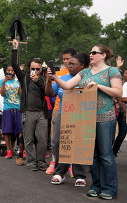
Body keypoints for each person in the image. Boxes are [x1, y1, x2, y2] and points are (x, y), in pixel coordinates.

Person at [50, 44, 121, 200]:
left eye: (94, 52)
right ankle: (96, 186)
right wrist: (55, 77)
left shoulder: (112, 71)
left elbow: (118, 92)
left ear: (103, 55)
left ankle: (109, 188)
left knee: (106, 155)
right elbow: (68, 85)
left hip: (105, 118)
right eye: (90, 52)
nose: (91, 54)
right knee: (92, 155)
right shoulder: (85, 72)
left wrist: (99, 86)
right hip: (86, 119)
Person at [46, 53, 90, 187]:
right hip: (63, 113)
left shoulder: (88, 79)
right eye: (68, 63)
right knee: (59, 142)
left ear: (82, 66)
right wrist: (49, 80)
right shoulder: (62, 78)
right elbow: (49, 93)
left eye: (73, 64)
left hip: (82, 115)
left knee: (79, 143)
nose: (69, 66)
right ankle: (60, 172)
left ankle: (80, 175)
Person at [11, 40, 49, 171]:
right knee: (28, 139)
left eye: (38, 69)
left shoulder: (44, 80)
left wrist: (38, 81)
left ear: (41, 69)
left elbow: (47, 91)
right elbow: (14, 65)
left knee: (43, 139)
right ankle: (32, 162)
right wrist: (15, 49)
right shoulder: (24, 78)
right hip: (28, 112)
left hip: (42, 113)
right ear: (29, 68)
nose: (35, 71)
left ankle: (41, 161)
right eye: (33, 68)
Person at [46, 48, 77, 175]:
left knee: (71, 139)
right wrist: (49, 79)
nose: (65, 61)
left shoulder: (80, 73)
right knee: (56, 140)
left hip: (75, 112)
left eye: (68, 59)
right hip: (58, 109)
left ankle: (70, 164)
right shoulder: (59, 72)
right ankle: (54, 162)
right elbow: (49, 92)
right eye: (63, 59)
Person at [0, 65, 24, 165]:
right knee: (7, 131)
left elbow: (21, 94)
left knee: (20, 130)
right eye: (8, 70)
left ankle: (21, 151)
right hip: (7, 108)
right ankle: (9, 150)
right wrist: (4, 81)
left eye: (12, 70)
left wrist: (21, 83)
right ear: (6, 71)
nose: (10, 72)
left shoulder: (18, 81)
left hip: (18, 108)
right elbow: (2, 94)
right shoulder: (2, 81)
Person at [113, 68, 127, 157]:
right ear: (123, 74)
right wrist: (125, 111)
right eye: (126, 73)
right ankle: (113, 151)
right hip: (121, 111)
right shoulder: (121, 84)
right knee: (121, 134)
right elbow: (119, 99)